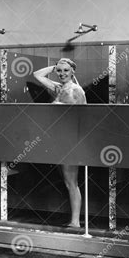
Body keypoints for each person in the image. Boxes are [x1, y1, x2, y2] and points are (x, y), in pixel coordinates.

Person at [33, 58, 86, 227]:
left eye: (66, 70)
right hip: (59, 139)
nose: (62, 74)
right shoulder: (58, 87)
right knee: (68, 181)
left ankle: (76, 222)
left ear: (73, 72)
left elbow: (85, 117)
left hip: (71, 140)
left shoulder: (76, 90)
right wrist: (55, 66)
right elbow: (37, 75)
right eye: (60, 71)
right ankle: (75, 220)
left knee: (72, 182)